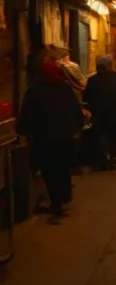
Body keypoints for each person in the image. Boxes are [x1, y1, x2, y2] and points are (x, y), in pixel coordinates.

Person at [17, 57, 84, 223]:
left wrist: (23, 131)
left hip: (45, 138)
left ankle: (56, 201)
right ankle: (62, 200)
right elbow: (75, 110)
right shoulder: (64, 88)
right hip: (65, 137)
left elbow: (27, 114)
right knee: (63, 168)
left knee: (49, 170)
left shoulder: (34, 91)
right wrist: (78, 127)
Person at [83, 55, 116, 170]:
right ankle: (112, 158)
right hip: (114, 112)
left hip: (98, 113)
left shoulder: (92, 80)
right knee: (112, 135)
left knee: (100, 135)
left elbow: (86, 97)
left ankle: (104, 158)